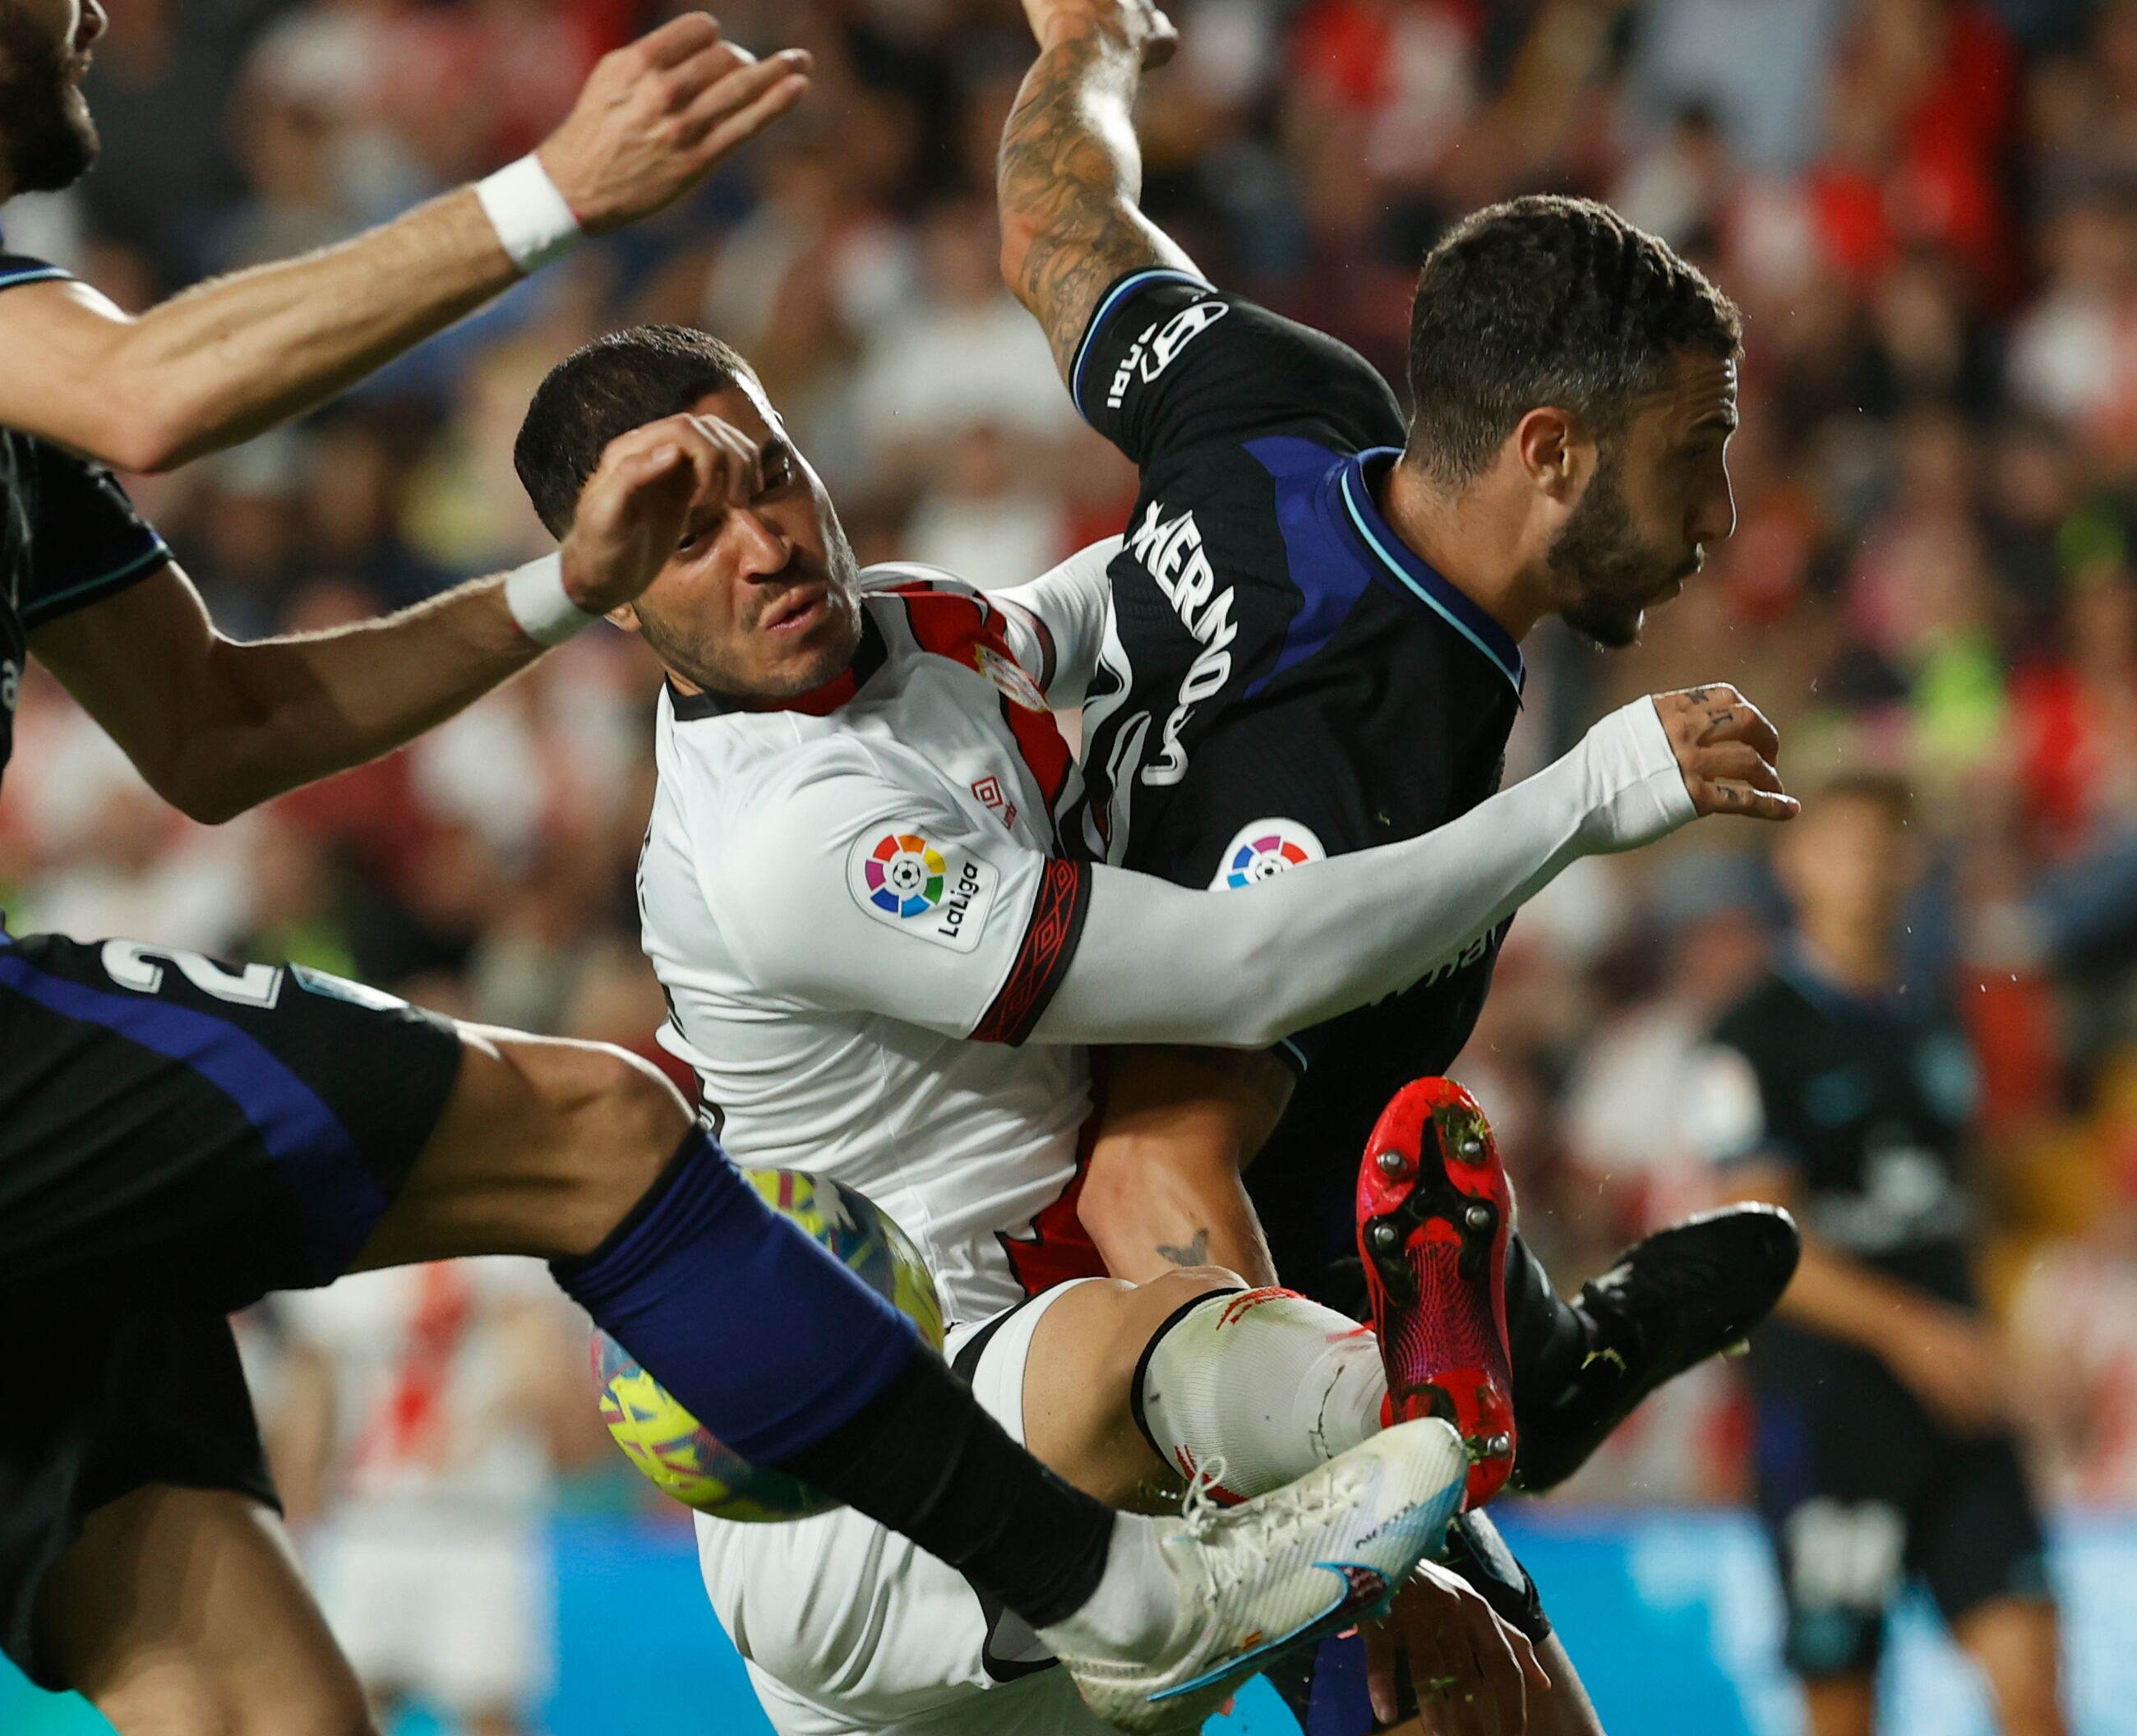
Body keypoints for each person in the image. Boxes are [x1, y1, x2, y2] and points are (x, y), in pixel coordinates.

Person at [0, 4, 1419, 1731]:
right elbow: (151, 391)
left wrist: (564, 594)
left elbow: (218, 730)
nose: (99, 20)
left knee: (262, 1704)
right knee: (610, 1137)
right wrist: (555, 193)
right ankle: (1103, 1588)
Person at [510, 323, 1796, 1735]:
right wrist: (1585, 794)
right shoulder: (790, 840)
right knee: (1146, 1361)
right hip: (879, 1492)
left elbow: (1101, 605)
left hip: (1121, 1431)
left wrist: (1294, 505)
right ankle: (1424, 1406)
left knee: (1508, 1714)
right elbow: (1241, 969)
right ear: (614, 597)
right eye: (690, 536)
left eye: (769, 476)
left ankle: (1427, 1419)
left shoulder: (901, 630)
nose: (763, 539)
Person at [993, 1, 1803, 1725]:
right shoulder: (1361, 746)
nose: (1720, 519)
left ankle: (1541, 1365)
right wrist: (1346, 1572)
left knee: (1387, 1081)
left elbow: (1057, 226)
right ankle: (1521, 1381)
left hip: (1256, 1170)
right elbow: (1153, 1174)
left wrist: (1087, 50)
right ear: (1549, 453)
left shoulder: (1283, 407)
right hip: (1140, 1306)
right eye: (1697, 456)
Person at [1696, 773, 2065, 1736]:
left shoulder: (1940, 1020)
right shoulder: (1752, 1040)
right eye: (1847, 844)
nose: (1870, 868)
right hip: (1832, 1418)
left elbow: (1965, 1204)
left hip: (1962, 1411)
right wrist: (1915, 1333)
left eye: (1886, 846)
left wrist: (2013, 1333)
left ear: (1913, 865)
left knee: (2036, 1690)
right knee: (1845, 1710)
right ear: (1797, 864)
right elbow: (1763, 1249)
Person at [268, 1258, 581, 1736]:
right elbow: (315, 1391)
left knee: (489, 1712)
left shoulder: (501, 1253)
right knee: (344, 1708)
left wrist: (483, 1421)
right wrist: (294, 1509)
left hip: (481, 1524)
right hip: (367, 1520)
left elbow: (542, 1371)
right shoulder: (339, 1257)